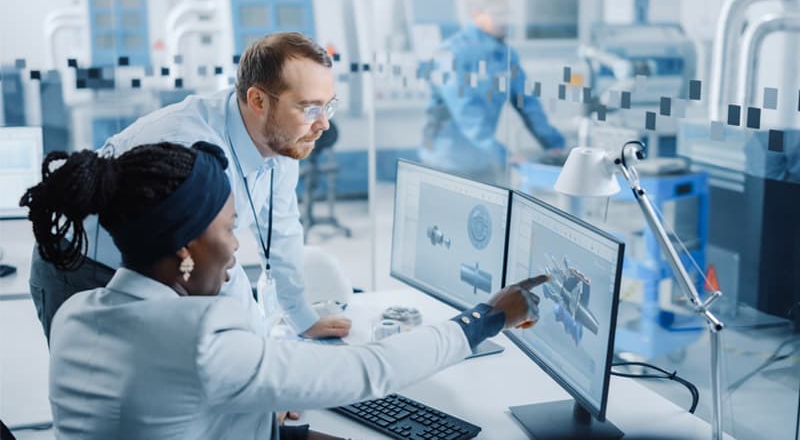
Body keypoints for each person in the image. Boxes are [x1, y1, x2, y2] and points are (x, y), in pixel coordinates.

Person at [20, 141, 546, 439]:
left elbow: (157, 415)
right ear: (184, 249)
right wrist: (487, 317)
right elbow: (370, 370)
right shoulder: (199, 341)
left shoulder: (78, 313)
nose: (235, 246)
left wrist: (264, 420)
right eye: (228, 229)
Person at [28, 32, 349, 342]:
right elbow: (217, 265)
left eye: (327, 106)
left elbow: (282, 230)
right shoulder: (195, 150)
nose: (323, 124)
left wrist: (302, 319)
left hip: (156, 266)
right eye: (309, 108)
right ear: (258, 101)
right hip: (84, 265)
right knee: (109, 390)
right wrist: (263, 349)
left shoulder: (283, 139)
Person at [419, 0, 565, 185]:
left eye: (508, 14)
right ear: (475, 13)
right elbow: (467, 114)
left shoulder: (505, 55)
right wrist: (503, 155)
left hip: (483, 162)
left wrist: (554, 145)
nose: (505, 20)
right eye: (498, 14)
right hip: (445, 162)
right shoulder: (450, 53)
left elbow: (527, 103)